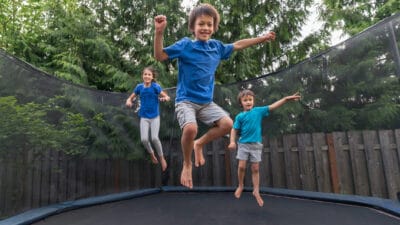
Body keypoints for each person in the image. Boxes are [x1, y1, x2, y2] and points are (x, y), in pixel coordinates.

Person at [153, 3, 276, 189]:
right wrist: (159, 33)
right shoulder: (186, 45)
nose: (206, 28)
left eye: (209, 24)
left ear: (214, 27)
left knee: (227, 124)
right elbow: (159, 56)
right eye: (201, 24)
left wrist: (262, 38)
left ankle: (199, 144)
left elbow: (238, 44)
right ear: (193, 27)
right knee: (190, 129)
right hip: (185, 100)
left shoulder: (216, 47)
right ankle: (187, 164)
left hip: (206, 103)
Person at [228, 90, 301, 207]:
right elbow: (234, 129)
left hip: (256, 145)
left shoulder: (258, 111)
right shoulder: (240, 116)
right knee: (241, 166)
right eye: (245, 100)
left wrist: (286, 99)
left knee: (255, 168)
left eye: (250, 100)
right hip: (243, 144)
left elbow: (273, 106)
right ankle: (241, 185)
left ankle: (256, 190)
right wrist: (232, 142)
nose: (248, 102)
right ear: (241, 102)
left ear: (253, 101)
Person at [126, 66, 171, 171]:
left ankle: (161, 157)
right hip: (144, 117)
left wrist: (165, 98)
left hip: (155, 116)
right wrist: (129, 101)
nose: (147, 76)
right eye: (145, 74)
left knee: (155, 138)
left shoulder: (156, 87)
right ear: (142, 76)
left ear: (152, 77)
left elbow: (167, 96)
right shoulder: (139, 87)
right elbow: (130, 98)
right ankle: (151, 154)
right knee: (144, 139)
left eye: (149, 74)